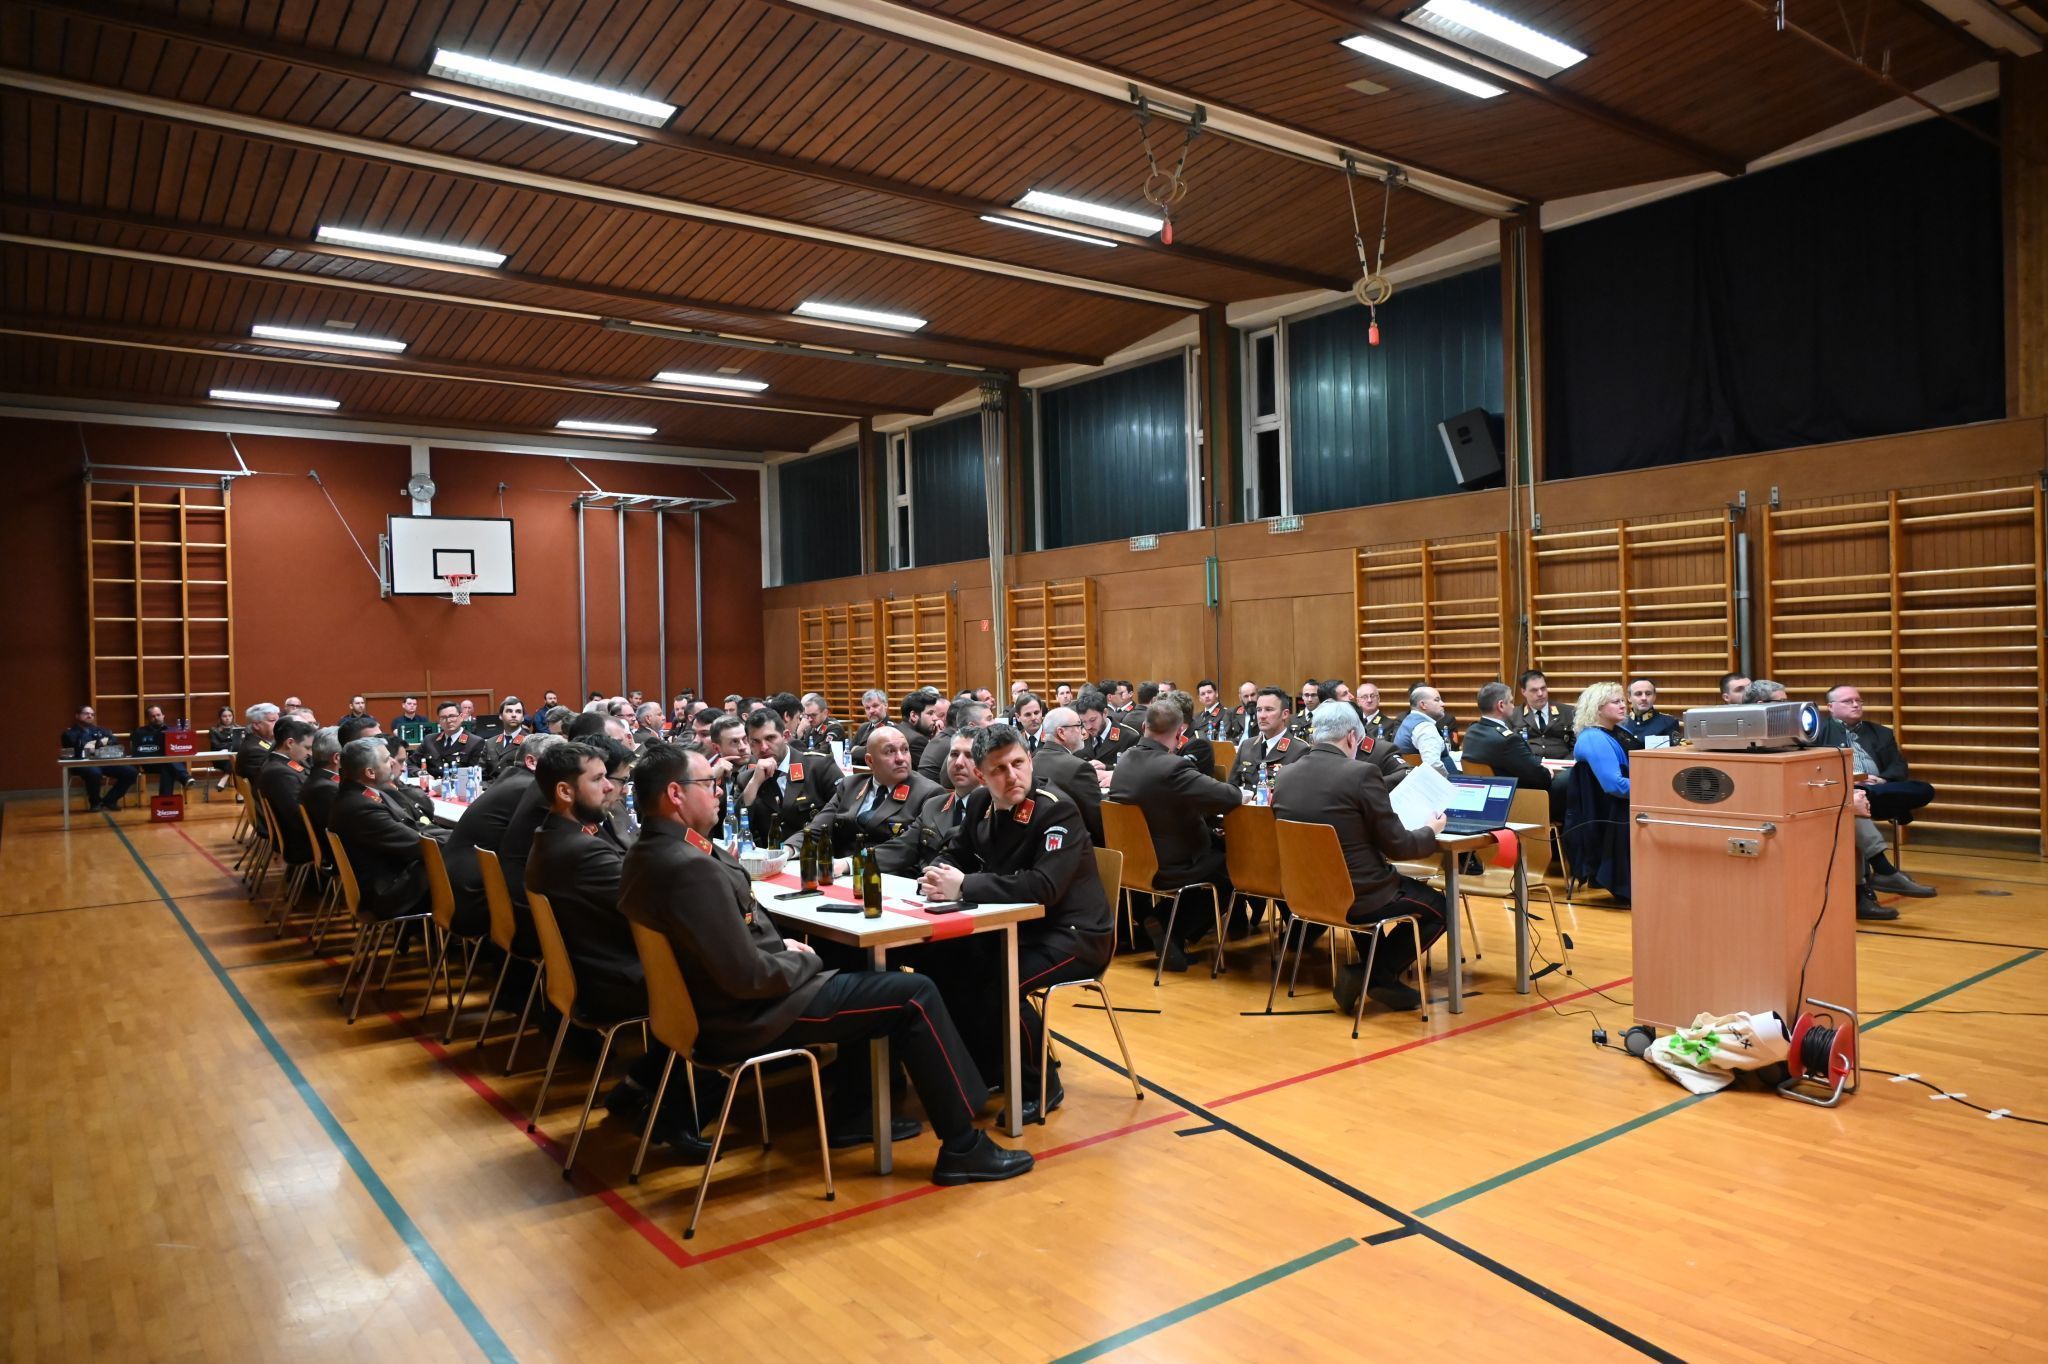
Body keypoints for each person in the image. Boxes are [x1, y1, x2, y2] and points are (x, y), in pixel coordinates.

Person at [618, 743, 1032, 1184]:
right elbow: (748, 976)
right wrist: (804, 961)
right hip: (749, 1015)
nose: (719, 792)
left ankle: (859, 1112)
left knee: (862, 966)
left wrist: (786, 954)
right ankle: (963, 1145)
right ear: (675, 795)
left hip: (711, 1008)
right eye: (707, 784)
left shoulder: (647, 853)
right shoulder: (688, 866)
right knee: (914, 993)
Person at [521, 742, 717, 1159]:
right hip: (611, 979)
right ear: (565, 792)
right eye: (597, 780)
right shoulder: (582, 851)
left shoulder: (554, 837)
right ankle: (675, 1116)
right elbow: (652, 905)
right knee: (712, 984)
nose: (610, 787)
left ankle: (636, 1088)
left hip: (590, 971)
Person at [918, 724, 1115, 1120]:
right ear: (981, 776)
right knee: (942, 965)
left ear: (1031, 760)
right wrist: (936, 875)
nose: (1012, 776)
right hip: (1016, 930)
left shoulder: (1056, 809)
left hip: (1074, 935)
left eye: (1018, 763)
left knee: (1000, 983)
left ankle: (1039, 1085)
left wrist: (965, 886)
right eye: (999, 769)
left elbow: (1044, 887)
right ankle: (988, 1067)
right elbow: (956, 854)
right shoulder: (979, 805)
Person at [1272, 701, 1448, 1014]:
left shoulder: (1285, 775)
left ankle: (1376, 974)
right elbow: (1398, 847)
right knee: (1438, 907)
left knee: (1364, 880)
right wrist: (1429, 831)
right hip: (1358, 895)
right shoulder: (1361, 773)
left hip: (1305, 893)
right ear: (1352, 737)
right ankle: (1375, 974)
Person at [1107, 698, 1245, 969]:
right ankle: (1173, 928)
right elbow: (1229, 795)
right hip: (1171, 863)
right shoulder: (1172, 768)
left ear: (1145, 726)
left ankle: (1165, 924)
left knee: (1216, 860)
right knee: (1232, 868)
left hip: (1133, 861)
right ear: (1180, 733)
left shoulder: (1124, 762)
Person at [1815, 685, 1936, 898]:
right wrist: (1853, 782)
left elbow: (1899, 768)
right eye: (1847, 701)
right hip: (1840, 793)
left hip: (1879, 792)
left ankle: (1862, 793)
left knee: (1924, 789)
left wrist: (1881, 780)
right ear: (1830, 707)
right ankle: (1883, 872)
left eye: (1858, 700)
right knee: (1850, 799)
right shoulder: (1818, 734)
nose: (1855, 704)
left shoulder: (1881, 733)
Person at [443, 733, 563, 935]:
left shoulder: (512, 777)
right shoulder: (530, 788)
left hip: (457, 889)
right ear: (532, 762)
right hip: (478, 898)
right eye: (561, 761)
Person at [328, 737, 447, 921]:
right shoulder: (360, 806)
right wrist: (461, 841)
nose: (393, 762)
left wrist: (457, 835)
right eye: (386, 759)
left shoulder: (364, 794)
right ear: (370, 772)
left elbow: (413, 828)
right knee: (469, 868)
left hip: (393, 875)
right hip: (390, 893)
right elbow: (420, 845)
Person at [788, 725, 941, 861]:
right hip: (840, 875)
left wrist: (850, 864)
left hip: (889, 877)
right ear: (870, 761)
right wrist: (788, 850)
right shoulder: (850, 785)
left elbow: (907, 848)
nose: (901, 758)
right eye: (890, 752)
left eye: (905, 750)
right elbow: (817, 829)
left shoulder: (928, 793)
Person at [874, 730, 982, 875]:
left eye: (969, 756)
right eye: (954, 754)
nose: (959, 763)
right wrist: (853, 862)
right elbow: (904, 847)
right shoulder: (934, 805)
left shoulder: (993, 810)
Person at [1564, 682, 1632, 905]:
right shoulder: (1594, 738)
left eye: (1623, 700)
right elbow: (1614, 785)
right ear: (1598, 708)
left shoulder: (1615, 733)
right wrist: (1653, 791)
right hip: (1612, 815)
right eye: (1616, 702)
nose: (1623, 705)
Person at [738, 707, 843, 847]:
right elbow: (736, 830)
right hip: (772, 861)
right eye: (755, 742)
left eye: (770, 738)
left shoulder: (818, 766)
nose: (763, 748)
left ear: (786, 736)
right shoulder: (747, 780)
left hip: (818, 855)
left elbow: (842, 813)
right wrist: (754, 783)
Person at [1463, 682, 1567, 820]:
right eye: (1511, 702)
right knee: (1570, 779)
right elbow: (1539, 779)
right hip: (1518, 802)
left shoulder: (1472, 731)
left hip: (1485, 801)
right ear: (1501, 705)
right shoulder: (1507, 740)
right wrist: (1547, 772)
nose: (1513, 706)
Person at [1029, 706, 1104, 845]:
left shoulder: (1033, 761)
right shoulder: (1080, 768)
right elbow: (1097, 821)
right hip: (1076, 846)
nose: (1084, 731)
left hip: (1040, 842)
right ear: (1061, 732)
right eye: (1078, 725)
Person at [256, 718, 319, 869]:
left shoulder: (283, 764)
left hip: (297, 836)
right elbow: (298, 816)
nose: (310, 754)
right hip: (300, 843)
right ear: (290, 743)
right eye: (307, 747)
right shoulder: (280, 773)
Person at [61, 703, 139, 811]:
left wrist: (98, 744)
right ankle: (95, 802)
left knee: (131, 772)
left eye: (92, 714)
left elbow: (113, 740)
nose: (90, 716)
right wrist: (99, 743)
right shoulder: (69, 733)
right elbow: (79, 747)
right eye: (86, 714)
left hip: (102, 761)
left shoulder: (99, 730)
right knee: (94, 773)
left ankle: (110, 800)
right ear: (77, 716)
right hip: (81, 763)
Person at [1226, 686, 1306, 789]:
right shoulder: (1247, 745)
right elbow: (1232, 787)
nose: (1262, 716)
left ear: (1285, 714)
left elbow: (1298, 794)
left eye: (1269, 710)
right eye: (1259, 710)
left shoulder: (1299, 750)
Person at [917, 699, 990, 782]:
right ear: (971, 725)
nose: (994, 723)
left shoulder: (943, 738)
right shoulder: (955, 745)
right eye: (989, 719)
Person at [129, 704, 190, 796]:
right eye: (153, 716)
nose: (156, 718)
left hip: (167, 763)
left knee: (167, 767)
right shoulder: (139, 732)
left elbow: (181, 748)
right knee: (169, 765)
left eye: (158, 715)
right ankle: (185, 778)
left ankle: (164, 802)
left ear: (163, 716)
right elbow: (135, 751)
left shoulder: (173, 731)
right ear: (148, 718)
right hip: (150, 763)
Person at [1512, 670, 1574, 761]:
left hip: (1563, 768)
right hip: (1530, 768)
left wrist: (1565, 766)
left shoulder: (1568, 712)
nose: (1540, 694)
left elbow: (1576, 746)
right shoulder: (1514, 715)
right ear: (1523, 691)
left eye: (1543, 688)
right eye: (1534, 690)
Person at [1393, 686, 1452, 774]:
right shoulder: (1425, 728)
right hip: (1442, 784)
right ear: (1423, 705)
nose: (1443, 704)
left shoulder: (1408, 720)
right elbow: (1433, 765)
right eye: (1437, 700)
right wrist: (1450, 782)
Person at [417, 702, 487, 776]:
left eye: (452, 716)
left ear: (461, 717)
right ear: (439, 721)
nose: (448, 721)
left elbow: (477, 772)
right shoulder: (429, 740)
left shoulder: (475, 742)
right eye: (443, 718)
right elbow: (411, 763)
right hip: (431, 785)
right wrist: (420, 773)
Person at [1075, 689, 1138, 769]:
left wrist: (1107, 768)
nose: (1088, 727)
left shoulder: (1129, 736)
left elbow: (1135, 770)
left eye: (1092, 720)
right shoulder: (1077, 735)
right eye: (1084, 722)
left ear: (1105, 713)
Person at [1166, 690, 1217, 776]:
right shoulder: (1173, 735)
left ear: (1177, 717)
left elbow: (1178, 774)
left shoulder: (1199, 743)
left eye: (1167, 714)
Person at [1620, 678, 1681, 745]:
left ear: (1654, 696)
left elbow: (1673, 752)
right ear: (1629, 697)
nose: (1644, 698)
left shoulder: (1669, 723)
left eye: (1648, 694)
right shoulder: (1620, 723)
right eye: (1638, 694)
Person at [234, 702, 280, 781]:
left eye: (278, 720)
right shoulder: (255, 750)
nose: (278, 724)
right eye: (272, 721)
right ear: (256, 725)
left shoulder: (256, 742)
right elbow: (277, 776)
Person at [899, 689, 941, 769]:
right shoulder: (917, 740)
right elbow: (930, 772)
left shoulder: (898, 729)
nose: (935, 718)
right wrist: (936, 742)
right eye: (930, 713)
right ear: (914, 716)